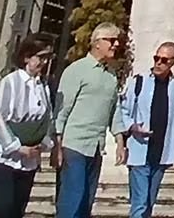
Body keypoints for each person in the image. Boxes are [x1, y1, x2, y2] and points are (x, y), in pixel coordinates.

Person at [113, 41, 174, 218]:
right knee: (139, 202)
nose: (158, 63)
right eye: (156, 58)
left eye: (164, 60)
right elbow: (122, 110)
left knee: (149, 202)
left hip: (161, 152)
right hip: (139, 150)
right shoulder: (138, 82)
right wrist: (133, 127)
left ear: (173, 62)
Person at [53, 24, 122, 218]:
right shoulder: (76, 70)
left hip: (96, 146)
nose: (116, 44)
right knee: (72, 198)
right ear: (97, 42)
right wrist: (57, 145)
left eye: (117, 40)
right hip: (74, 144)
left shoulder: (111, 76)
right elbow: (62, 110)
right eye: (111, 40)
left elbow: (114, 110)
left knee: (86, 201)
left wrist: (120, 141)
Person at [0, 36, 54, 218]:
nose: (44, 62)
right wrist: (16, 146)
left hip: (28, 159)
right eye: (41, 57)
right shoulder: (10, 82)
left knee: (16, 210)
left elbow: (47, 118)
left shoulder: (43, 86)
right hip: (3, 158)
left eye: (48, 57)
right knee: (3, 209)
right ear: (26, 57)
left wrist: (43, 143)